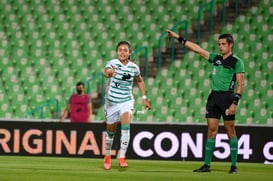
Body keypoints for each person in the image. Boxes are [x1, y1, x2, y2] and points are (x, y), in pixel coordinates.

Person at [167, 30, 245, 174]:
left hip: (227, 98)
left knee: (230, 131)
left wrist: (235, 103)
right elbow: (198, 49)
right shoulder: (216, 58)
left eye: (223, 44)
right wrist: (179, 38)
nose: (220, 47)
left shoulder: (237, 62)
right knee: (211, 131)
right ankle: (207, 165)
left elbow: (241, 84)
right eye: (219, 44)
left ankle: (234, 166)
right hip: (213, 98)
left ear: (231, 45)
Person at [103, 41, 151, 170]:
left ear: (129, 53)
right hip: (111, 102)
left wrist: (144, 98)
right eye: (120, 50)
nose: (122, 52)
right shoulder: (112, 63)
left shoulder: (134, 67)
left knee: (125, 125)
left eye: (125, 50)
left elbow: (139, 80)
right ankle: (107, 155)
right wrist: (109, 73)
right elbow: (106, 71)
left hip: (126, 101)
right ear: (117, 52)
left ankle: (122, 157)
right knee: (111, 132)